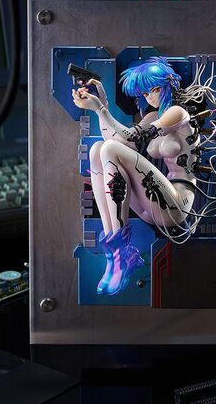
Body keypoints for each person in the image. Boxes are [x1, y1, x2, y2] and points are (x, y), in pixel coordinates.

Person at [72, 57, 199, 295]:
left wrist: (100, 109)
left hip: (176, 204)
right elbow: (117, 140)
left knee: (109, 149)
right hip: (151, 205)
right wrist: (102, 105)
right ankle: (117, 252)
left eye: (155, 89)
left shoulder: (177, 113)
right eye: (145, 93)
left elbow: (135, 137)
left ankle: (121, 249)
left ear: (170, 84)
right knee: (98, 149)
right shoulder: (153, 116)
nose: (150, 97)